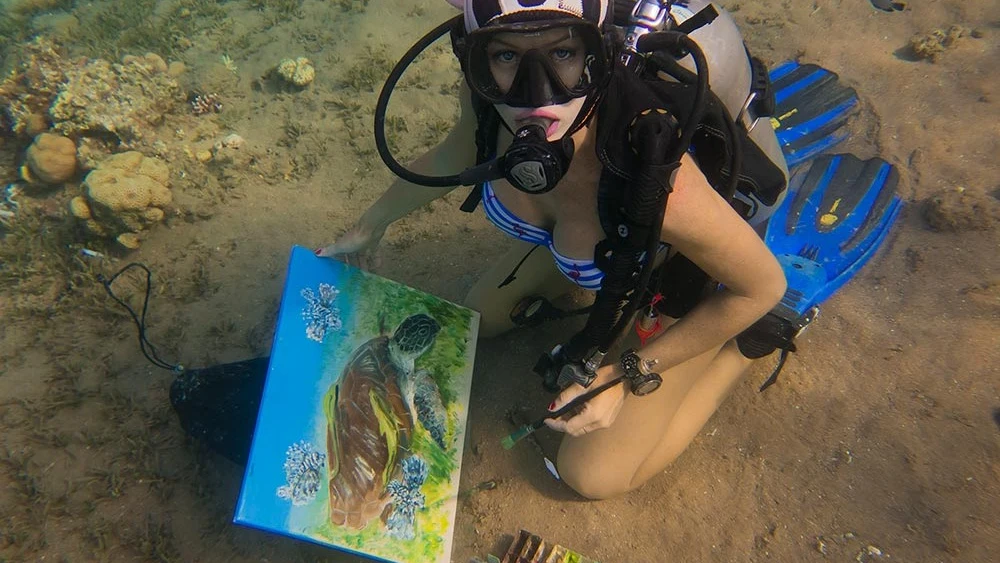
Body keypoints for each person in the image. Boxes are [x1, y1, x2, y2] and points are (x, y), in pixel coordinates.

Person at [318, 0, 788, 500]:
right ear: (474, 58)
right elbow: (456, 152)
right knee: (474, 316)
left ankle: (740, 348)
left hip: (685, 270)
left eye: (562, 51)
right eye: (505, 57)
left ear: (598, 54)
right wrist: (369, 227)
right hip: (608, 244)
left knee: (592, 475)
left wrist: (628, 374)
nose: (533, 94)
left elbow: (762, 286)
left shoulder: (657, 170)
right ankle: (586, 275)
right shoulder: (487, 101)